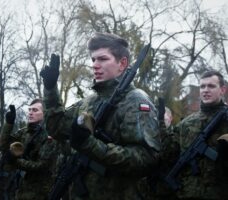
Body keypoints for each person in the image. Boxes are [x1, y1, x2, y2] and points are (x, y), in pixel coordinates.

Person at [40, 32, 161, 199]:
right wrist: (51, 89)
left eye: (103, 59)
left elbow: (146, 159)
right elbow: (57, 128)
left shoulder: (136, 101)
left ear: (122, 63)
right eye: (93, 60)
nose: (95, 65)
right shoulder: (89, 101)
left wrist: (91, 145)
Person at [170, 70, 228, 199]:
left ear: (222, 90)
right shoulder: (185, 123)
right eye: (202, 86)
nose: (205, 90)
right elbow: (169, 155)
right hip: (187, 193)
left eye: (211, 86)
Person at [0, 99, 58, 200]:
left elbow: (40, 166)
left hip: (40, 191)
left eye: (35, 110)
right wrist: (8, 124)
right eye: (29, 110)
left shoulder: (50, 135)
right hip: (21, 189)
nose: (30, 113)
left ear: (44, 113)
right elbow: (3, 147)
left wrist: (15, 161)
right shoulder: (25, 132)